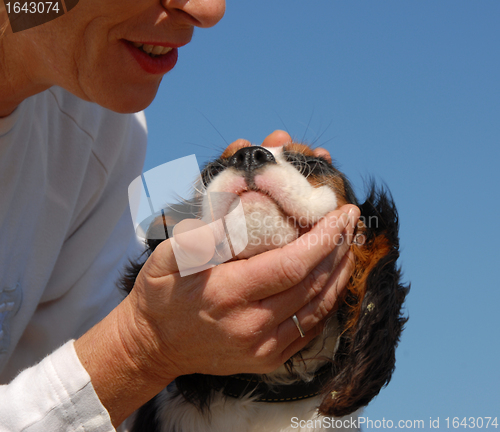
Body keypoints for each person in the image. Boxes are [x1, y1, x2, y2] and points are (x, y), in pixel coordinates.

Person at [0, 0, 360, 430]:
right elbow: (118, 352)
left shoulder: (109, 126)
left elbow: (70, 362)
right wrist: (142, 347)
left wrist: (208, 216)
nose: (208, 10)